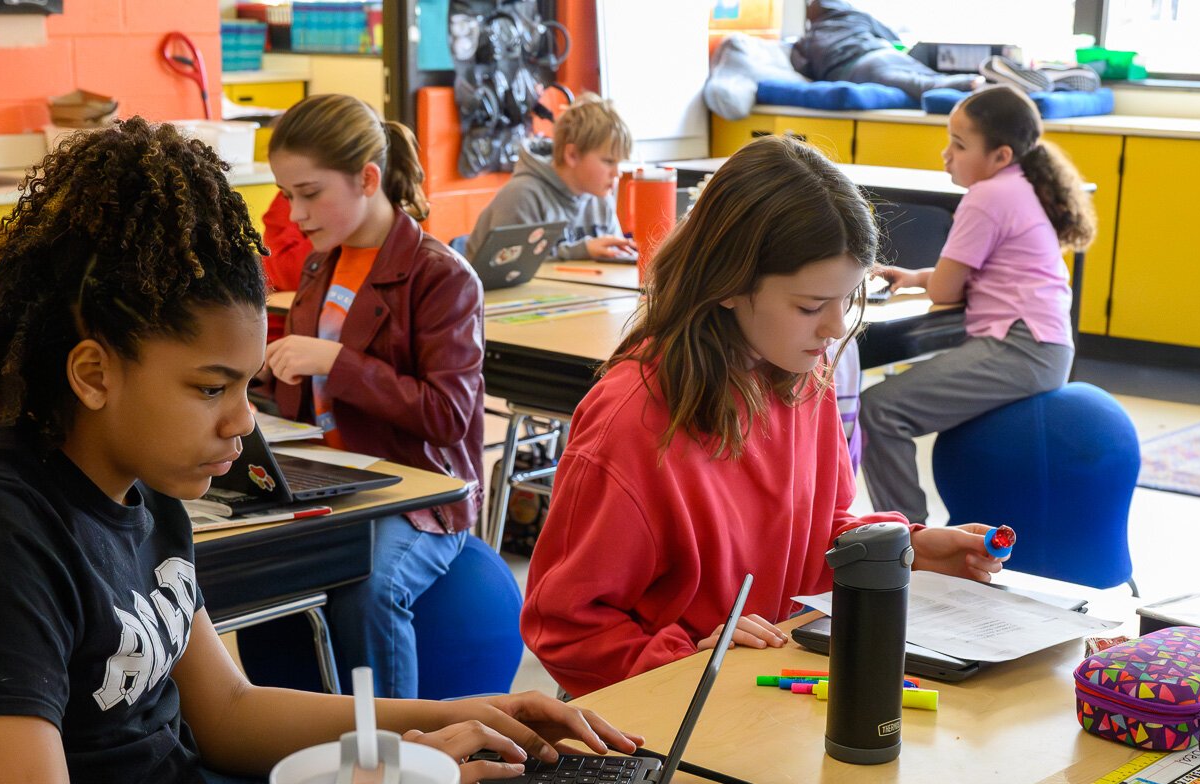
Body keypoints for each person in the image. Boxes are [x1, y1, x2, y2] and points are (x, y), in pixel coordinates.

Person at [0, 117, 641, 784]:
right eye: (211, 388)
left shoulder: (144, 485)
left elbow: (225, 709)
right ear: (93, 373)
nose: (243, 423)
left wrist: (451, 715)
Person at [521, 136, 1005, 698]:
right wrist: (685, 664)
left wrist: (905, 547)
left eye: (847, 300)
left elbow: (809, 533)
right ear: (728, 283)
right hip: (657, 720)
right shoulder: (632, 423)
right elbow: (563, 624)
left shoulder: (801, 373)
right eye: (808, 306)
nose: (831, 329)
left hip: (762, 691)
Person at [259, 94, 487, 699]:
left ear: (367, 178)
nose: (295, 212)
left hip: (418, 495)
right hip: (333, 480)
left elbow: (450, 416)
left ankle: (400, 759)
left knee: (371, 587)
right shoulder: (319, 267)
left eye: (309, 193)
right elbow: (292, 394)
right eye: (286, 194)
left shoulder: (442, 276)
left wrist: (338, 363)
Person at [861, 85, 1096, 524]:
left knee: (879, 410)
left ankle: (906, 537)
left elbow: (948, 291)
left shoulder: (986, 197)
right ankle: (909, 533)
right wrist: (917, 278)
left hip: (1020, 349)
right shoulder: (1021, 186)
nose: (946, 153)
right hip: (1041, 346)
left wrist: (931, 282)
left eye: (960, 144)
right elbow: (977, 278)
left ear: (1001, 156)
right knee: (886, 406)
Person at [462, 94, 638, 263]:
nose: (617, 173)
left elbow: (617, 258)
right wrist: (580, 251)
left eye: (619, 163)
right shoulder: (522, 196)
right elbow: (509, 270)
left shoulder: (601, 199)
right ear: (572, 155)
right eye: (608, 161)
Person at [791, 0, 979, 103]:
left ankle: (973, 83)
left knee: (922, 85)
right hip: (882, 54)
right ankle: (983, 81)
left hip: (857, 69)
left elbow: (802, 67)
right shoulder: (856, 17)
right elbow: (892, 37)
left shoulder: (807, 39)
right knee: (933, 76)